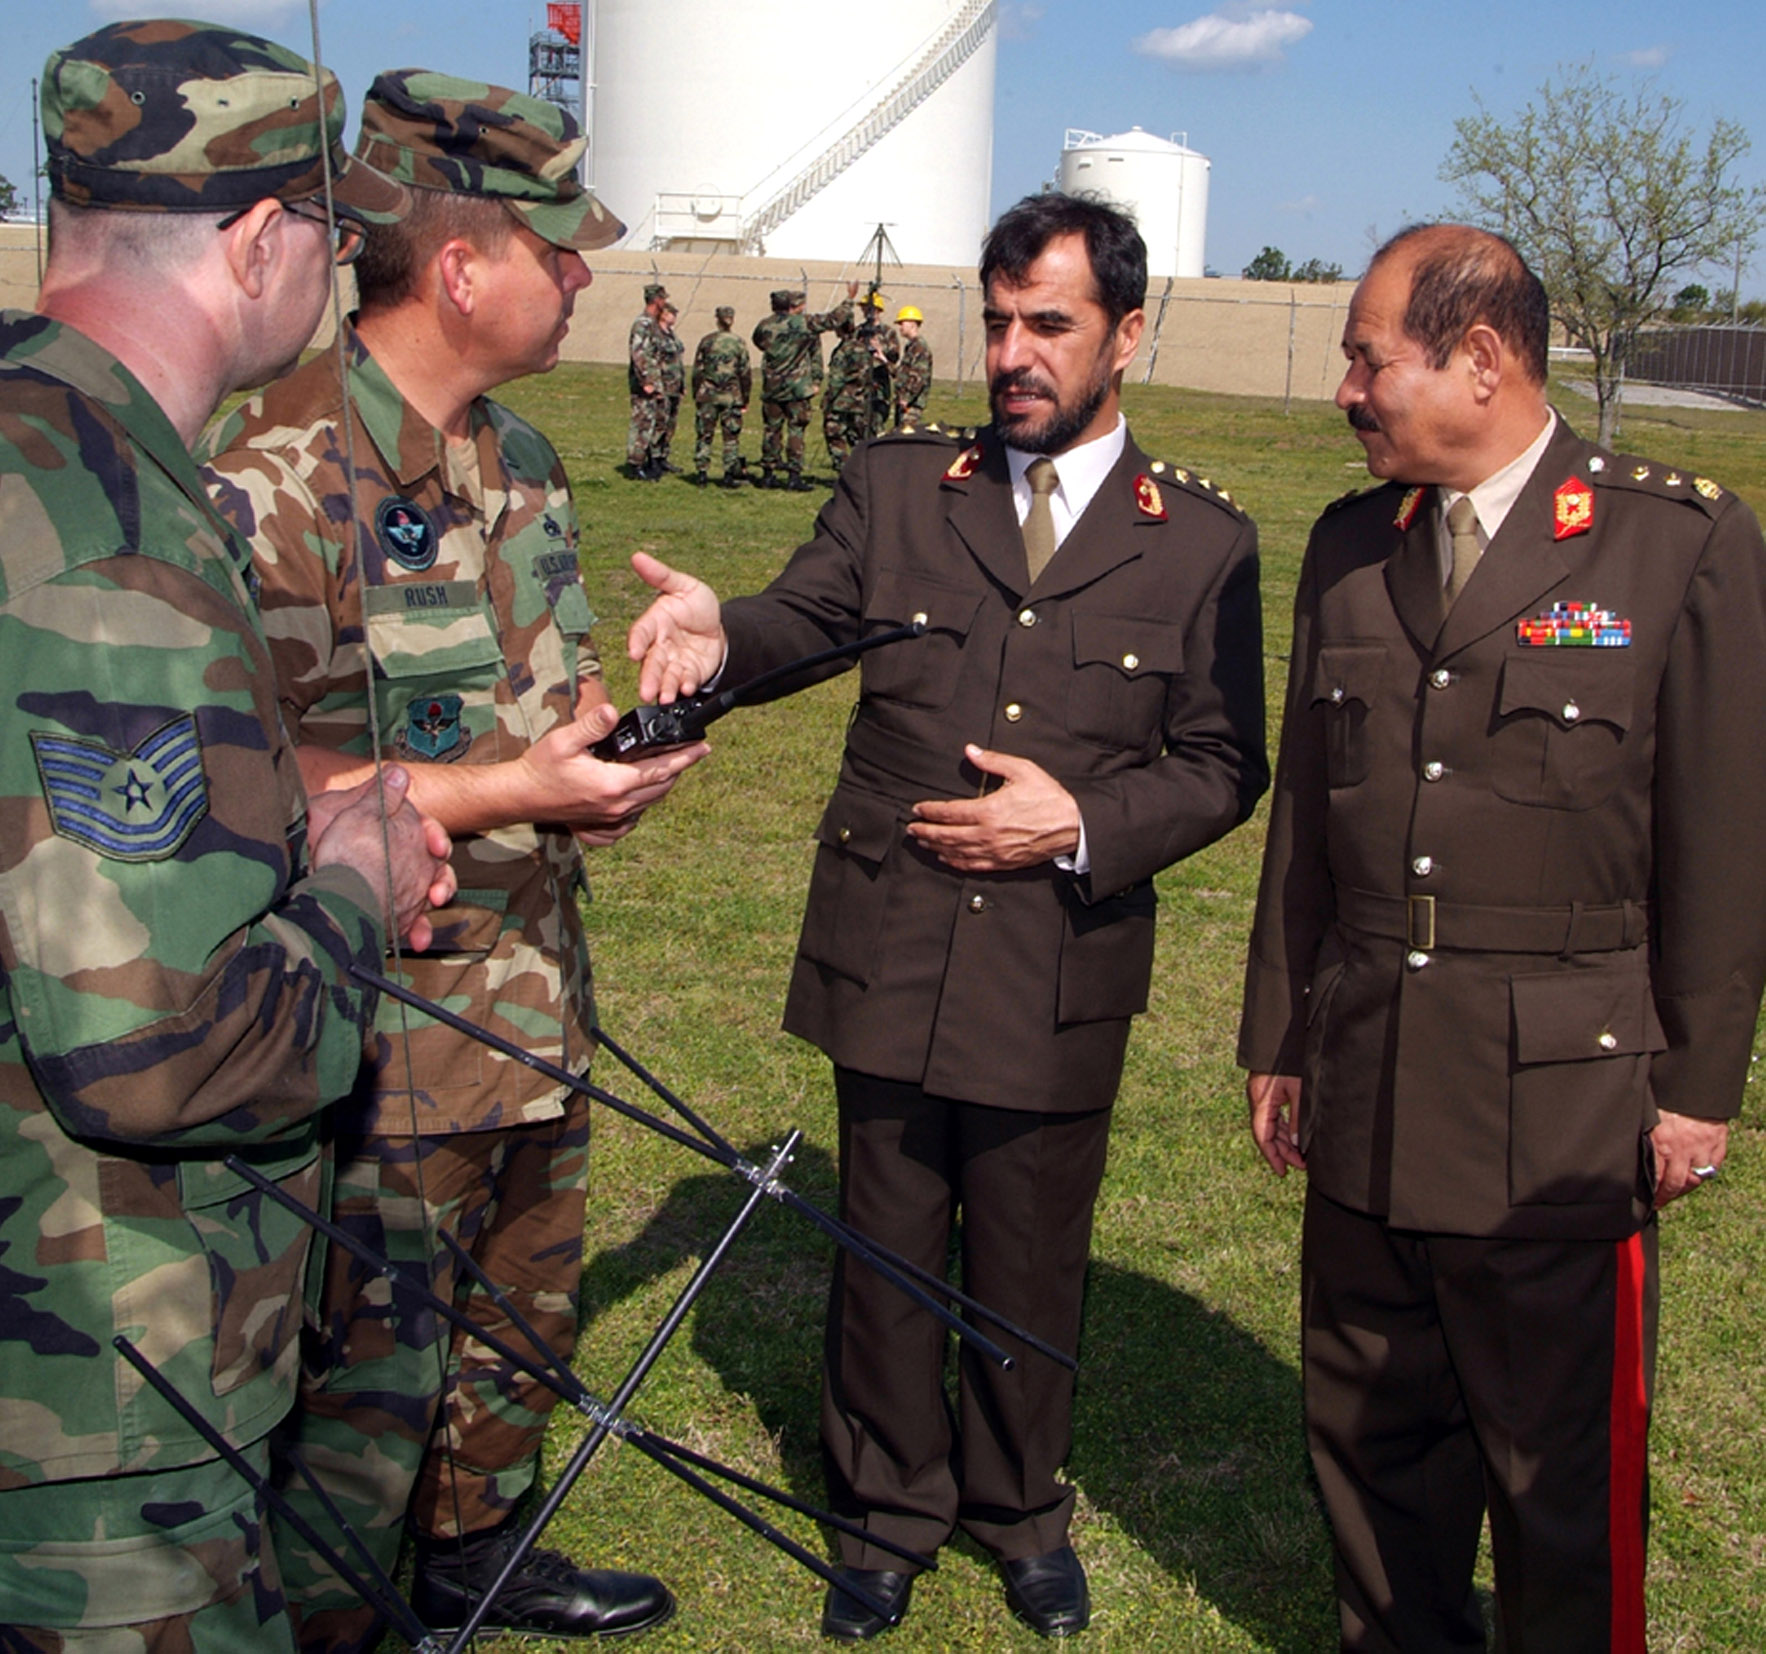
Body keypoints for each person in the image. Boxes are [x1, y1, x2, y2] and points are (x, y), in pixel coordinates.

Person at [627, 191, 1267, 1640]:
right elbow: (808, 616)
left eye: (1049, 323)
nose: (1012, 353)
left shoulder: (1201, 546)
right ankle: (884, 1506)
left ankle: (1016, 1501)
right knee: (889, 1235)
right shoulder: (904, 484)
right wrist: (725, 633)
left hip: (1056, 960)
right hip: (893, 933)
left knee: (1034, 1245)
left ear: (1126, 336)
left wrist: (1086, 821)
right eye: (996, 321)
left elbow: (1225, 763)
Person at [203, 71, 703, 1650]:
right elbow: (241, 780)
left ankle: (480, 1548)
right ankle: (343, 1608)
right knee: (367, 1358)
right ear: (463, 265)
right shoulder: (269, 480)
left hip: (532, 988)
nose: (582, 280)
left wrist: (603, 758)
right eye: (559, 252)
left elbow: (532, 707)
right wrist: (506, 790)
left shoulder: (526, 464)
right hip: (380, 1020)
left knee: (519, 1306)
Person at [1238, 223, 1766, 1653]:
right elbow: (1308, 814)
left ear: (1478, 359)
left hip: (1562, 1102)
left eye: (1367, 357)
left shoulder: (1676, 540)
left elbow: (1723, 834)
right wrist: (1278, 1036)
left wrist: (1696, 1087)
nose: (1346, 387)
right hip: (1368, 1065)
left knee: (1556, 1473)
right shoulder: (1355, 546)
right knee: (1367, 1436)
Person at [0, 21, 454, 1650]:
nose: (339, 268)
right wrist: (353, 875)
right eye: (334, 235)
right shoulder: (107, 527)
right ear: (266, 239)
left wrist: (271, 823)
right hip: (93, 1420)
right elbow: (153, 1050)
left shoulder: (35, 433)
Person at [753, 282, 858, 490]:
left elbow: (758, 341)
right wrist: (849, 299)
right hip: (796, 388)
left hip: (772, 387)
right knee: (796, 431)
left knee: (771, 430)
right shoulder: (803, 324)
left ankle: (768, 473)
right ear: (791, 306)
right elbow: (833, 319)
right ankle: (793, 476)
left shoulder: (764, 325)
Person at [822, 292, 899, 476]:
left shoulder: (888, 332)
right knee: (854, 430)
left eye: (871, 309)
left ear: (879, 310)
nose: (868, 312)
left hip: (877, 387)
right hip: (856, 390)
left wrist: (879, 349)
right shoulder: (858, 331)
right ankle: (859, 468)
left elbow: (894, 356)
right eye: (865, 309)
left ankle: (877, 468)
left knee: (875, 427)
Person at [692, 304, 753, 486]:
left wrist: (697, 393)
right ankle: (728, 474)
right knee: (731, 437)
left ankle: (702, 472)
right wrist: (745, 398)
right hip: (731, 396)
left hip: (708, 394)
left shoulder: (707, 341)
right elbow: (745, 373)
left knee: (704, 435)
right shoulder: (738, 343)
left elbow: (698, 371)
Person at [627, 281, 670, 479]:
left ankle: (648, 461)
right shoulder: (643, 323)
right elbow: (639, 352)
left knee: (653, 422)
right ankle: (635, 465)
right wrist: (646, 380)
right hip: (646, 384)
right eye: (662, 299)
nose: (664, 302)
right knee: (642, 423)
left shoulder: (653, 323)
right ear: (656, 300)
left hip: (655, 381)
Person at [654, 299, 686, 473]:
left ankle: (664, 456)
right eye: (672, 314)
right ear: (664, 315)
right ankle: (653, 458)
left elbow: (679, 362)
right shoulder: (656, 335)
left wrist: (683, 385)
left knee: (670, 424)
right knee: (660, 422)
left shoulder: (672, 335)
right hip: (663, 386)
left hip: (674, 386)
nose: (674, 317)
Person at [894, 304, 933, 426]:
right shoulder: (911, 347)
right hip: (904, 403)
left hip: (911, 406)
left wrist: (906, 397)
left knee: (906, 440)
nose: (900, 327)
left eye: (902, 323)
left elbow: (918, 377)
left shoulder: (920, 348)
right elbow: (903, 373)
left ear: (913, 324)